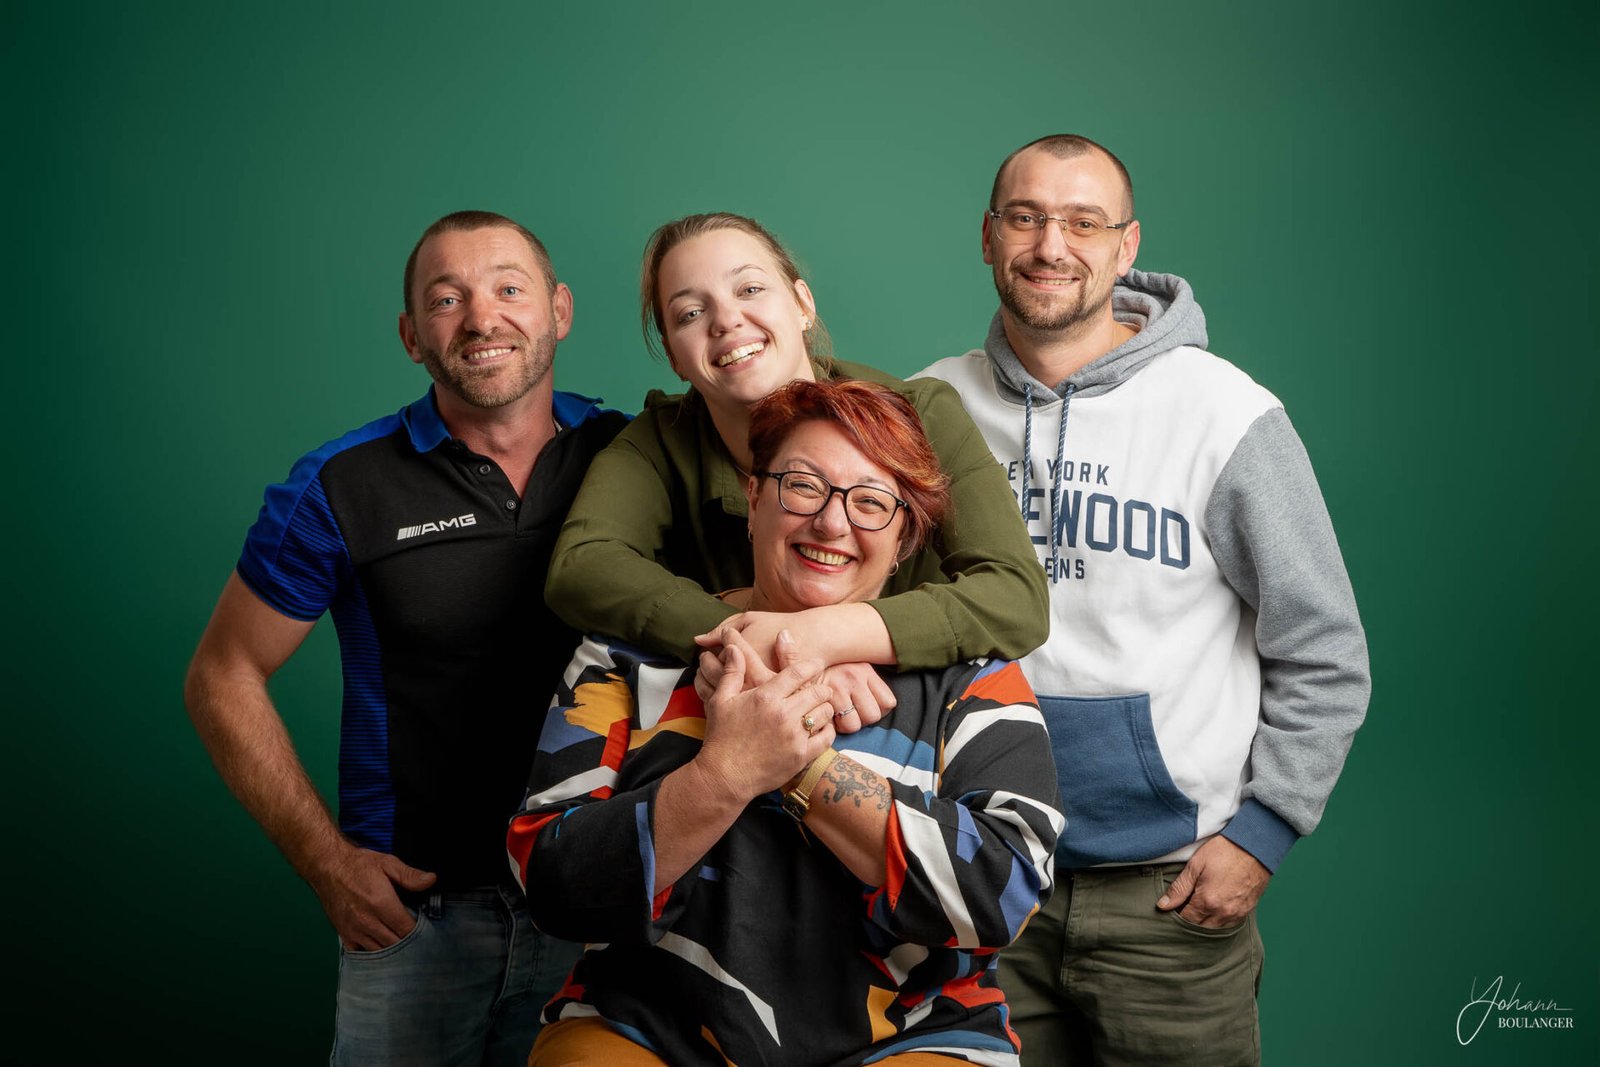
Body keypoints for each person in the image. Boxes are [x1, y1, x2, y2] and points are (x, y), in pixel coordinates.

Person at [917, 135, 1372, 1065]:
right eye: (1026, 217)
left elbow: (1324, 648)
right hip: (974, 875)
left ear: (1127, 248)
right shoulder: (926, 407)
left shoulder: (1224, 413)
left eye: (1084, 222)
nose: (1052, 244)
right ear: (988, 236)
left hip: (1167, 897)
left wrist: (1265, 831)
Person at [509, 378, 1064, 1066]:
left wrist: (801, 761)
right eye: (803, 486)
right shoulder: (622, 657)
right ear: (752, 498)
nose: (832, 523)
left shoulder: (973, 677)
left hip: (914, 1033)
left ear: (905, 536)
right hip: (646, 1027)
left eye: (870, 502)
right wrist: (724, 772)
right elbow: (554, 885)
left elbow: (1000, 895)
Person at [183, 211, 627, 1065]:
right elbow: (222, 673)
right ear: (410, 334)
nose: (481, 317)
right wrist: (327, 862)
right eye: (446, 298)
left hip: (602, 907)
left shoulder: (629, 454)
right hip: (420, 921)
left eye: (508, 288)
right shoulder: (342, 485)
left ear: (560, 310)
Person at [544, 213, 1047, 725]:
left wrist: (821, 638)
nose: (726, 321)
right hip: (729, 717)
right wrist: (753, 643)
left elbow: (1014, 595)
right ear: (675, 357)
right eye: (691, 313)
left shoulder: (921, 413)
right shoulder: (657, 440)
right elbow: (581, 567)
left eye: (750, 288)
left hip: (911, 714)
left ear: (803, 305)